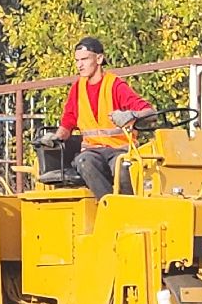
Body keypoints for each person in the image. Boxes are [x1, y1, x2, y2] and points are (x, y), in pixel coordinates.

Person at [44, 36, 154, 198]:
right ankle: (108, 206)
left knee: (123, 168)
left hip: (119, 151)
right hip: (92, 152)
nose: (79, 65)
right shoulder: (77, 89)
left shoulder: (115, 85)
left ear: (99, 59)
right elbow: (68, 122)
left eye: (84, 59)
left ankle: (127, 206)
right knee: (85, 162)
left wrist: (132, 115)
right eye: (77, 60)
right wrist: (54, 137)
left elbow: (150, 113)